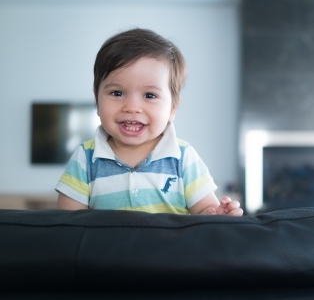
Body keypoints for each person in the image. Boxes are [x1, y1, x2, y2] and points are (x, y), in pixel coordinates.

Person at [55, 28, 243, 216]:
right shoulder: (85, 159)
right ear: (97, 100)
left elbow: (204, 211)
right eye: (117, 93)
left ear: (172, 108)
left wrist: (218, 215)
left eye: (150, 95)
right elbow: (68, 224)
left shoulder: (183, 158)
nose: (132, 107)